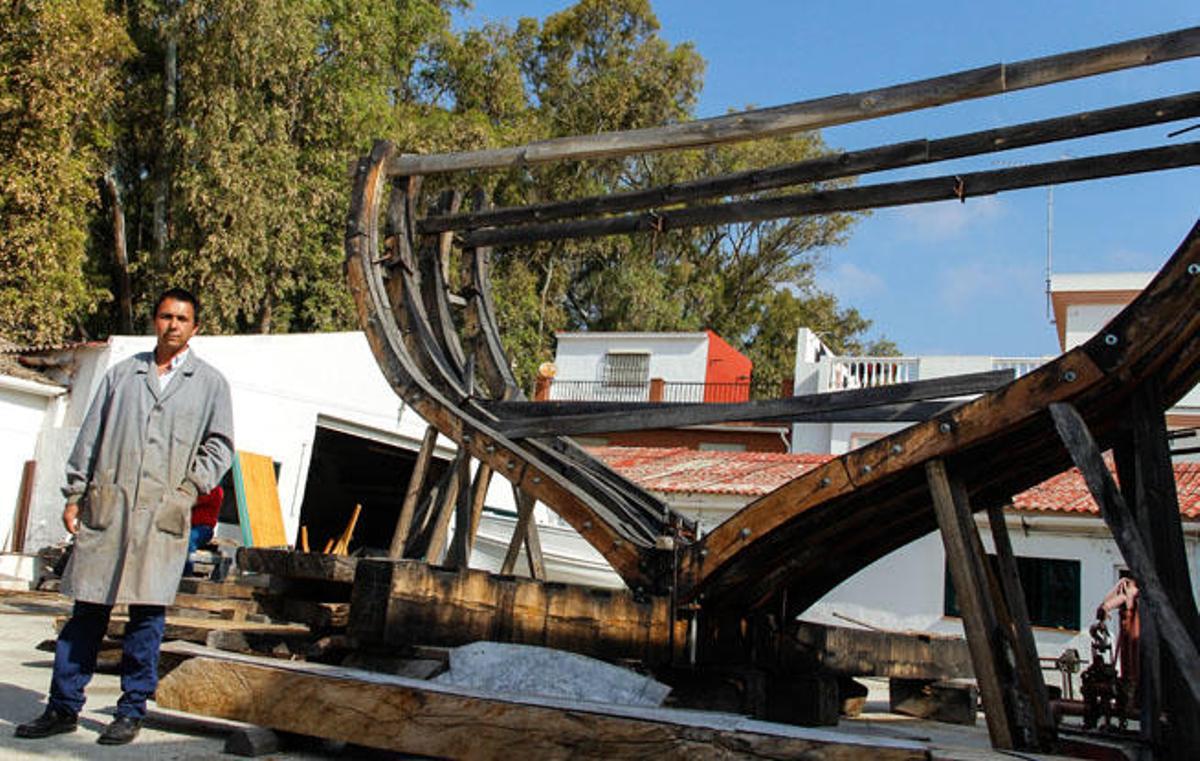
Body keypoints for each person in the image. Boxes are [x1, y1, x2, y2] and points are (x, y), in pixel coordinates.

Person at [15, 287, 234, 746]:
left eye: (182, 318)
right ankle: (62, 707)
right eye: (165, 316)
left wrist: (188, 489)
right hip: (108, 509)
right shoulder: (121, 375)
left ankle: (130, 710)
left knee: (146, 619)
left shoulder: (210, 384)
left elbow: (221, 447)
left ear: (196, 328)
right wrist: (76, 493)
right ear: (155, 321)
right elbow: (90, 438)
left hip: (162, 515)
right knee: (86, 614)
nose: (173, 325)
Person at [184, 486, 223, 577]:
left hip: (204, 528)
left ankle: (186, 573)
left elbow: (194, 501)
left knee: (190, 539)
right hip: (189, 526)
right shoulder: (197, 488)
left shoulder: (216, 490)